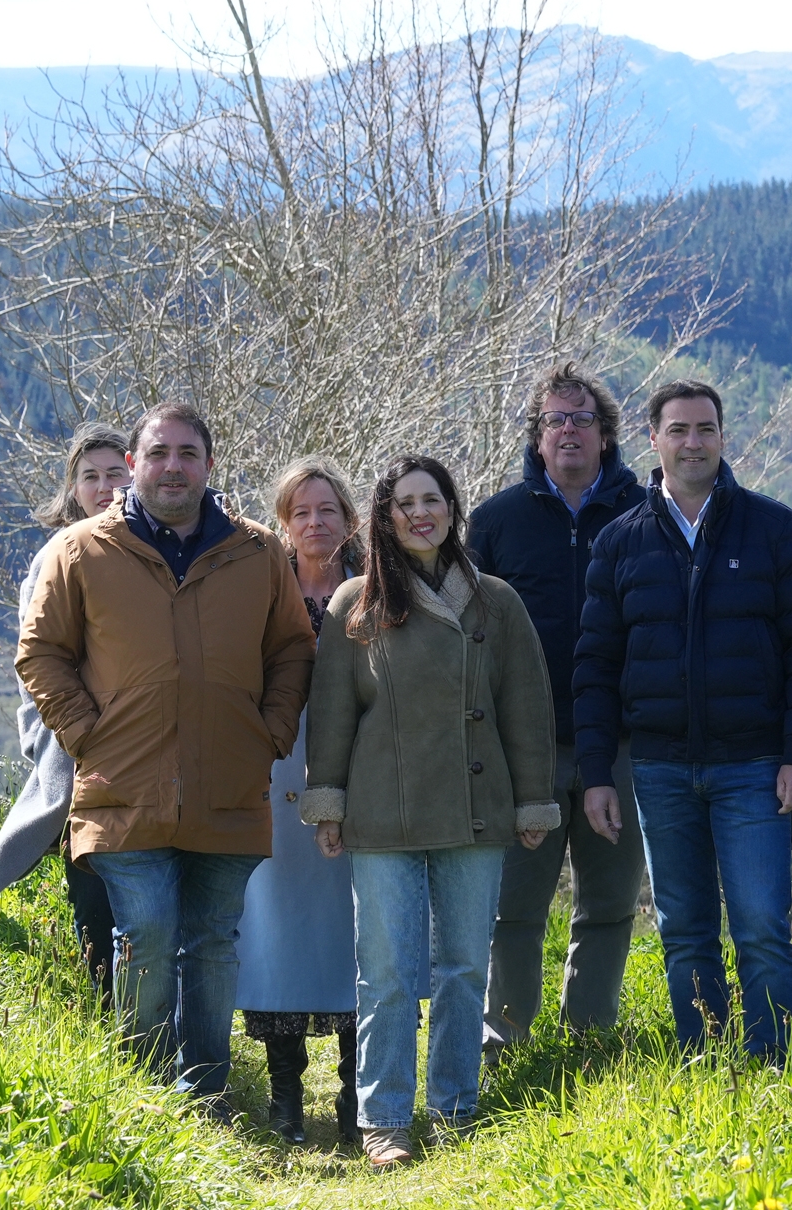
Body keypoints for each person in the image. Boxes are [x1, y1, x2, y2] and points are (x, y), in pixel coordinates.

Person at [17, 402, 318, 1113]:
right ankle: (146, 1097)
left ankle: (205, 1094)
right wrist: (88, 735)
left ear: (209, 464)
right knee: (146, 934)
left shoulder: (256, 553)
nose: (172, 467)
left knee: (212, 941)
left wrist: (270, 733)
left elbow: (292, 649)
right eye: (158, 454)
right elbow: (41, 652)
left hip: (229, 786)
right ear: (134, 465)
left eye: (187, 454)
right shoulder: (80, 551)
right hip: (121, 788)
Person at [301, 455, 558, 1170]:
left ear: (452, 509)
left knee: (464, 968)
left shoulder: (495, 602)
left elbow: (526, 709)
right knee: (384, 972)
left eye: (433, 500)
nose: (421, 513)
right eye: (405, 503)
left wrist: (532, 800)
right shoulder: (355, 602)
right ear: (384, 518)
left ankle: (453, 1108)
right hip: (382, 812)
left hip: (476, 809)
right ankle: (384, 1119)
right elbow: (332, 715)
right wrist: (328, 803)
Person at [573, 380, 792, 1060]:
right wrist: (596, 773)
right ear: (653, 439)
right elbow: (595, 666)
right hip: (659, 770)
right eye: (679, 430)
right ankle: (707, 1068)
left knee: (761, 931)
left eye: (705, 429)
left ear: (722, 436)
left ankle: (778, 1072)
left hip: (756, 766)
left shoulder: (772, 529)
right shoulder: (619, 542)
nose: (693, 443)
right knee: (685, 933)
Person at [469, 362, 647, 1057]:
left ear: (606, 434)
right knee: (514, 905)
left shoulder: (646, 515)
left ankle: (590, 1040)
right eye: (555, 420)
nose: (569, 430)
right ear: (537, 436)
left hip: (623, 744)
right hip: (524, 749)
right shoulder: (496, 522)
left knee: (609, 904)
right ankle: (505, 1041)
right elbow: (468, 634)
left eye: (582, 419)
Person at [234, 458, 367, 1146]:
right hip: (275, 774)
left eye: (327, 510)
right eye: (301, 512)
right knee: (277, 930)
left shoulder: (379, 589)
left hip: (361, 776)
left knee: (356, 931)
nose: (315, 523)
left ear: (349, 519)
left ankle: (356, 1094)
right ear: (283, 523)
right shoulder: (260, 589)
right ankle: (285, 1095)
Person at [0, 422, 132, 1001]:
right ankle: (112, 1025)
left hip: (151, 756)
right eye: (90, 477)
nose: (104, 487)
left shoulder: (159, 551)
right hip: (81, 759)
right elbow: (37, 667)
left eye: (115, 473)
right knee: (95, 898)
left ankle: (155, 1026)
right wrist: (71, 738)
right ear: (73, 488)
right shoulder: (57, 557)